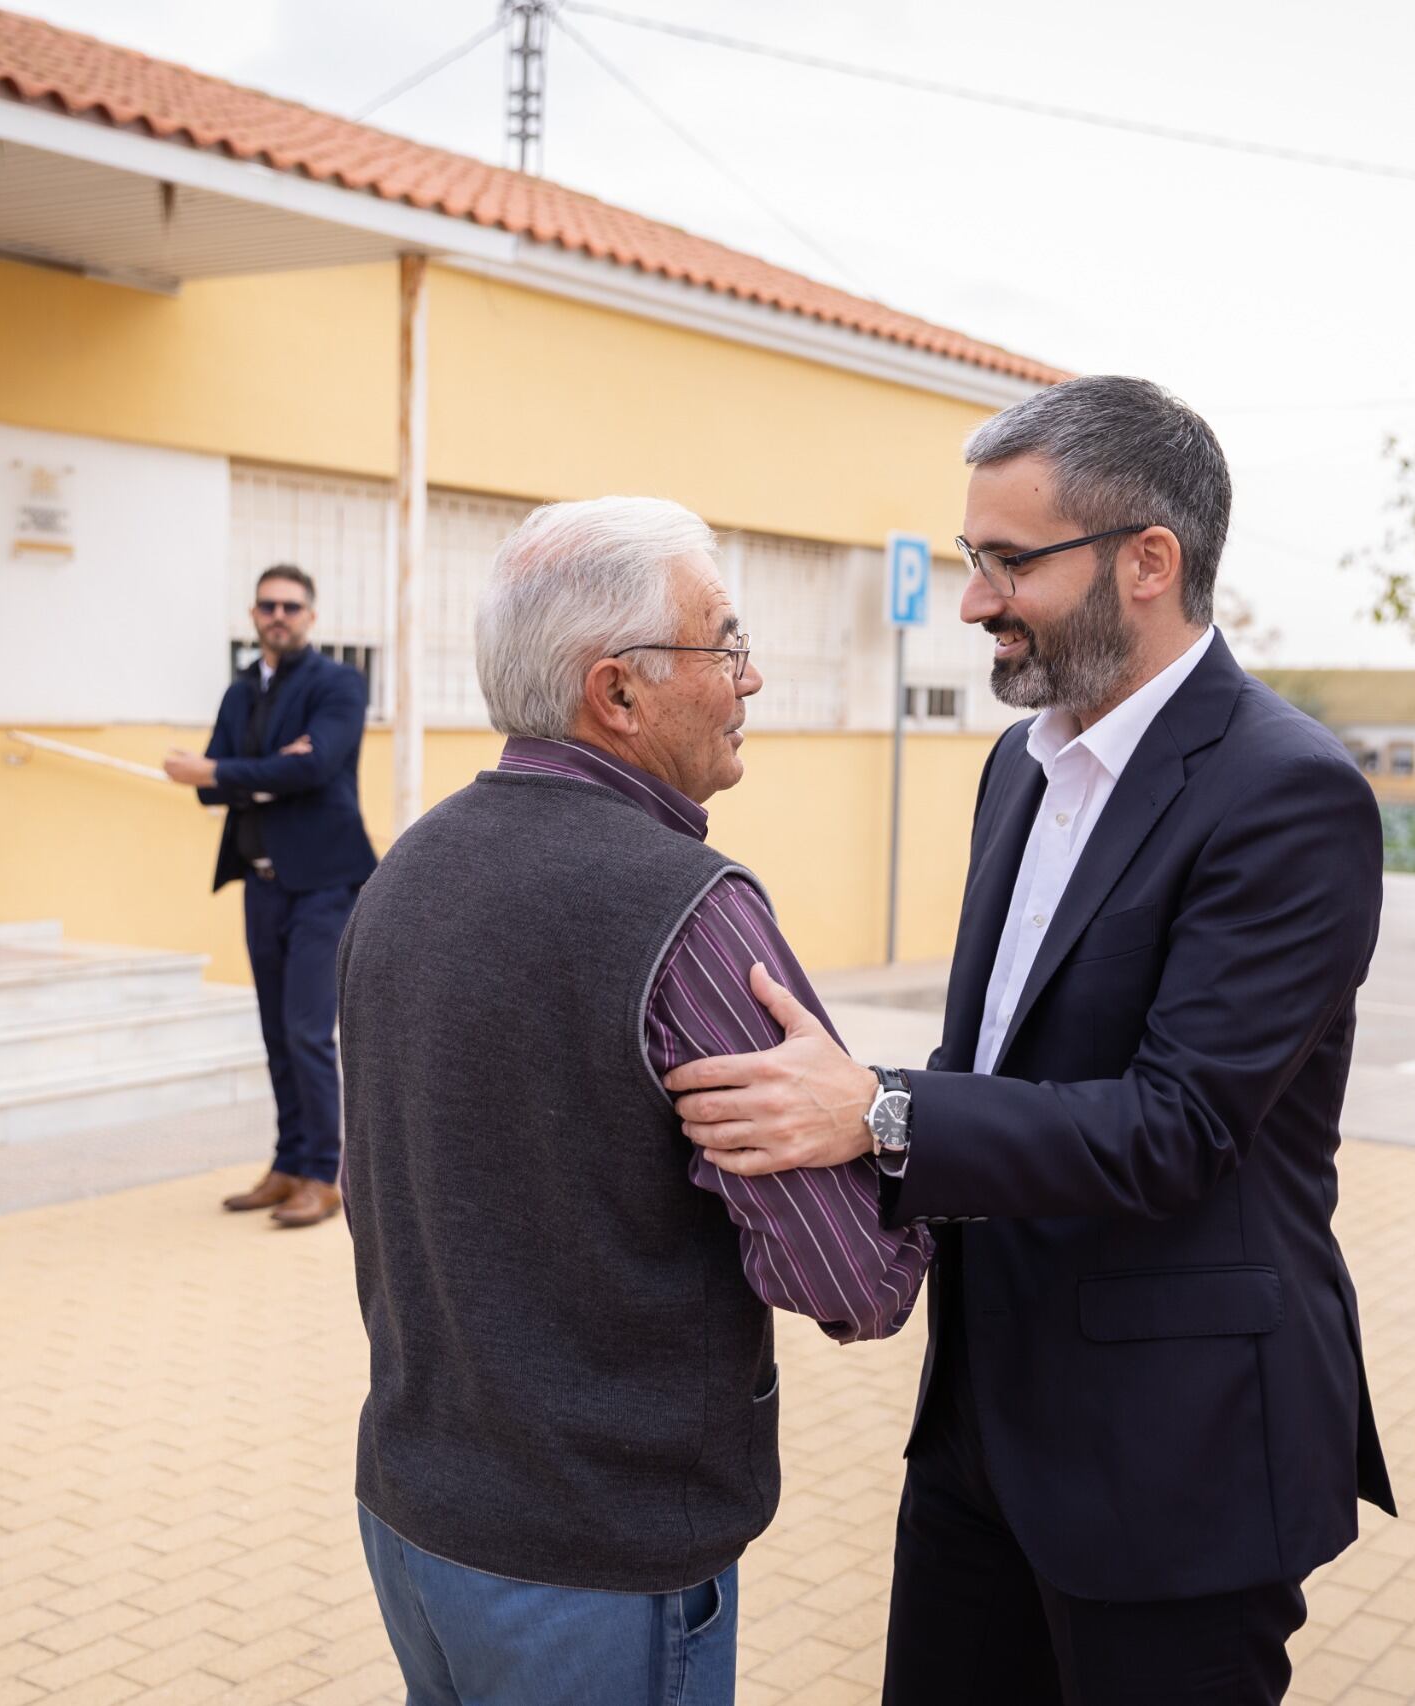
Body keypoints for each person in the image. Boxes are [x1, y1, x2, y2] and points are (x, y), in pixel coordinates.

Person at [667, 376, 1395, 1705]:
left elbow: (1177, 1129)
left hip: (1178, 1458)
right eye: (969, 560)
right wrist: (857, 1231)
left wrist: (878, 1114)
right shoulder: (1019, 767)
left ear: (1149, 562)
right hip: (979, 1433)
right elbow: (995, 1070)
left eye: (1009, 562)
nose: (974, 600)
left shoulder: (1289, 795)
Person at [336, 496, 930, 1706]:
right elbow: (849, 1280)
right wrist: (905, 1143)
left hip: (414, 1513)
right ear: (617, 692)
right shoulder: (690, 908)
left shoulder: (406, 868)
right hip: (597, 1560)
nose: (752, 675)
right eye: (725, 643)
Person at [162, 564, 374, 1230]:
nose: (278, 615)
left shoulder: (339, 683)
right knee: (277, 1032)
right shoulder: (240, 693)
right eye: (267, 606)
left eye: (291, 605)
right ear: (253, 616)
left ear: (311, 616)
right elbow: (210, 787)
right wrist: (261, 774)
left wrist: (229, 772)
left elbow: (313, 765)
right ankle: (288, 1163)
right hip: (261, 882)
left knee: (310, 1031)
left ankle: (323, 1174)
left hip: (324, 882)